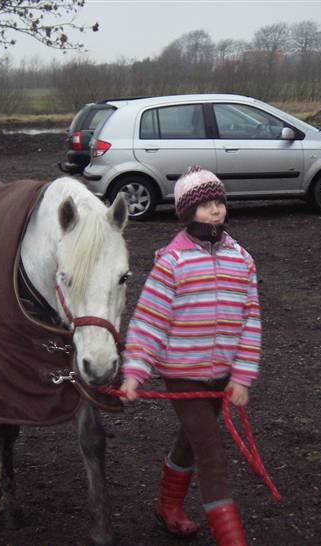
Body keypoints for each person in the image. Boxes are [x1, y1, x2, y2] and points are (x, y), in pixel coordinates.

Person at [120, 166, 261, 546]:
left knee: (191, 439)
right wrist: (135, 371)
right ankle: (232, 540)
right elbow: (149, 320)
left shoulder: (241, 260)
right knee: (211, 453)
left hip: (222, 373)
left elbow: (251, 321)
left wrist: (242, 376)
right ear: (187, 213)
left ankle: (167, 505)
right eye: (205, 205)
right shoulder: (173, 262)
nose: (216, 210)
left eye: (219, 202)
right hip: (183, 371)